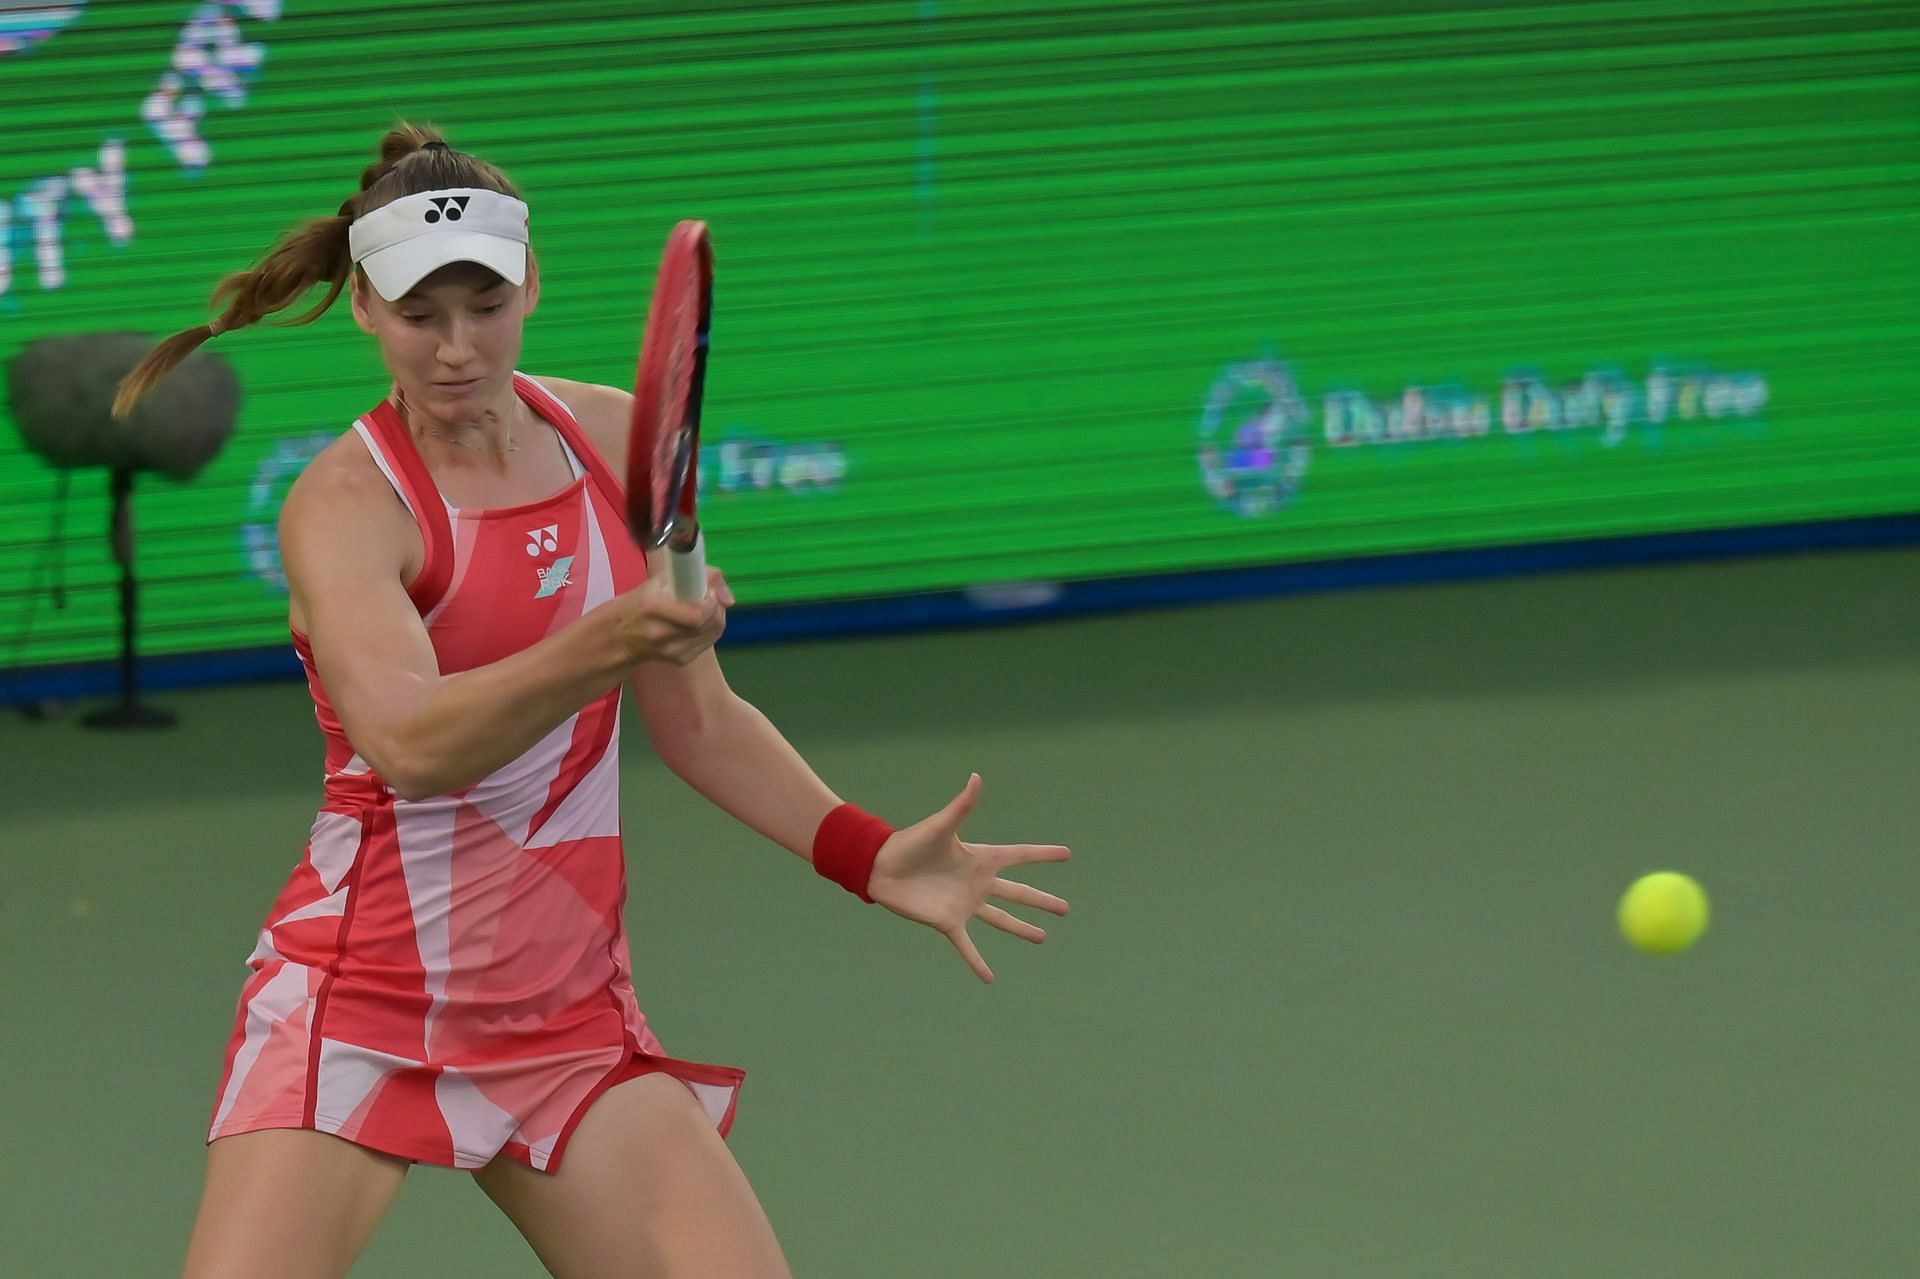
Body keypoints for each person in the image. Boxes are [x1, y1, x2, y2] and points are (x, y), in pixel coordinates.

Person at [116, 123, 1071, 1279]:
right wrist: (610, 634)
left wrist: (864, 852)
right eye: (421, 315)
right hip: (358, 998)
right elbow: (413, 745)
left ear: (532, 288)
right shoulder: (347, 506)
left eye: (486, 305)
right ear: (365, 308)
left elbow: (699, 720)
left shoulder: (622, 440)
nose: (457, 349)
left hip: (562, 1011)